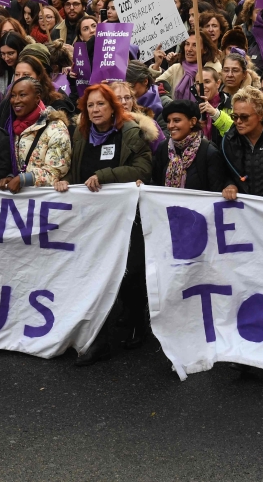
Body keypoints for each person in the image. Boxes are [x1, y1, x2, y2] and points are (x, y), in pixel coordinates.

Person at [55, 84, 152, 362]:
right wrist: (65, 182)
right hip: (90, 219)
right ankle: (98, 340)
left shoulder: (130, 132)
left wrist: (105, 175)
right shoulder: (80, 134)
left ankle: (137, 323)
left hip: (125, 217)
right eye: (90, 105)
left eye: (101, 104)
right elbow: (74, 171)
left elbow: (143, 169)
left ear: (113, 108)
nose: (95, 110)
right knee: (93, 275)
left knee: (130, 273)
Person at [0, 76, 71, 194]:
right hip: (23, 200)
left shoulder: (56, 129)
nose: (16, 100)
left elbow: (55, 173)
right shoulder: (14, 127)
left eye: (22, 95)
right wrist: (11, 177)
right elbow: (21, 165)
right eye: (13, 95)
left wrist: (23, 179)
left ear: (37, 98)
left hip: (46, 199)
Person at [150, 100, 226, 191]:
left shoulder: (209, 152)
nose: (170, 125)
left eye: (176, 120)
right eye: (168, 121)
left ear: (192, 121)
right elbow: (156, 183)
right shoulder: (163, 148)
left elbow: (216, 191)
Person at [150, 34, 221, 102]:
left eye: (195, 45)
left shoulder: (214, 69)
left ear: (205, 49)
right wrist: (157, 65)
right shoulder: (176, 68)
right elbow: (152, 87)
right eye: (187, 44)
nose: (189, 49)